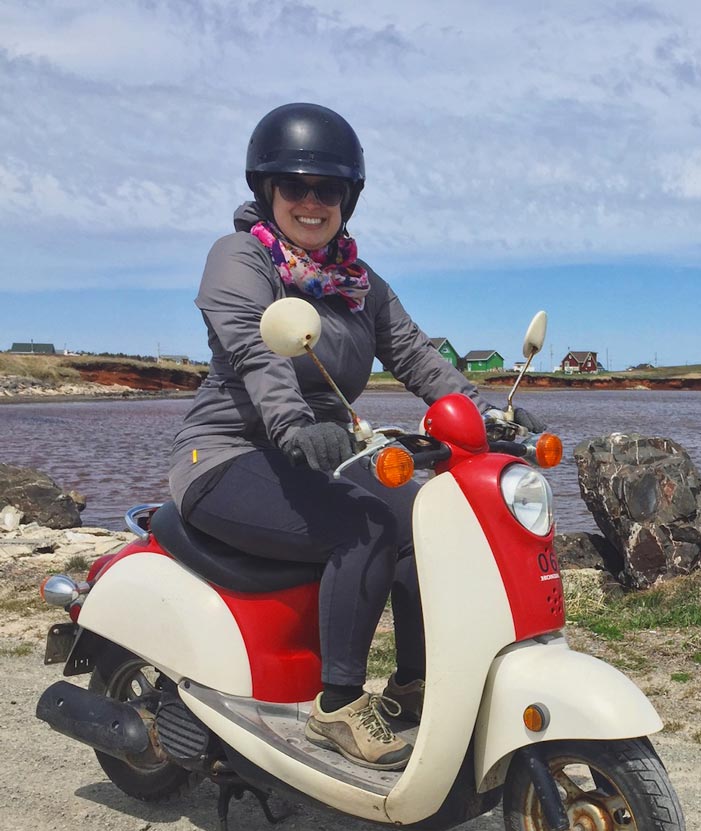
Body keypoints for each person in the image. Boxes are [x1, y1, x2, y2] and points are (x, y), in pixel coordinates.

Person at [168, 103, 543, 771]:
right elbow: (258, 350)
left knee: (429, 518)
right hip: (229, 454)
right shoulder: (240, 258)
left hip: (321, 456)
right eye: (295, 186)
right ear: (267, 190)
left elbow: (419, 358)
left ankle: (413, 685)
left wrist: (490, 418)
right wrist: (293, 424)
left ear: (348, 199)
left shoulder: (359, 286)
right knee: (364, 528)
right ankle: (337, 706)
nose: (312, 202)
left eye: (329, 189)